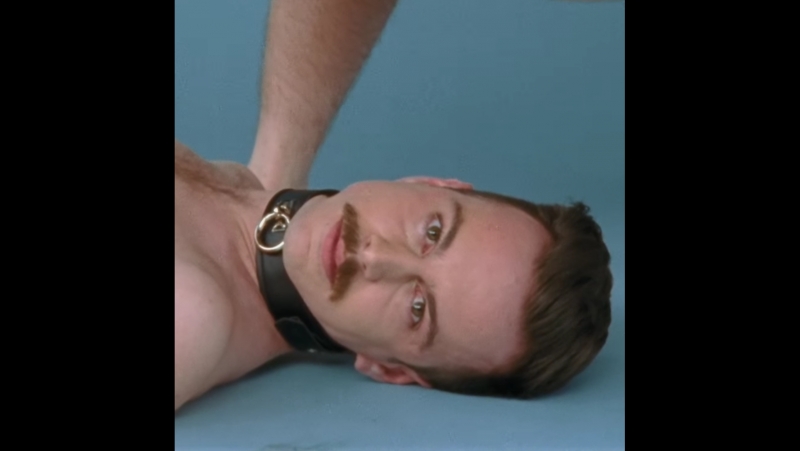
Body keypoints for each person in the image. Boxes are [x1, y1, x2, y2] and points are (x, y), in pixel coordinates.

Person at [175, 0, 613, 411]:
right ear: (430, 183)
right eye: (432, 232)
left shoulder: (194, 315)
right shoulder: (235, 193)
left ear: (389, 369)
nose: (373, 257)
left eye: (417, 309)